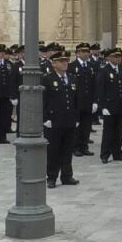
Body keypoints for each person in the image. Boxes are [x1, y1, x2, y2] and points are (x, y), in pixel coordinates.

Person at [41, 50, 79, 188]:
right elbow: (43, 101)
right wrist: (45, 118)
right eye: (61, 61)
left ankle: (67, 176)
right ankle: (51, 177)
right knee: (53, 151)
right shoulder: (47, 79)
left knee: (67, 150)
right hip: (54, 121)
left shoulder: (72, 78)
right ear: (54, 63)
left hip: (69, 120)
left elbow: (75, 100)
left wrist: (77, 117)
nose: (65, 63)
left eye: (66, 61)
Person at [96, 47, 122, 164]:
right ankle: (104, 154)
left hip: (120, 105)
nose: (118, 59)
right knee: (108, 131)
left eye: (119, 56)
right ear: (109, 58)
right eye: (115, 56)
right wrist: (103, 106)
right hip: (109, 106)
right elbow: (100, 90)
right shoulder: (104, 70)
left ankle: (117, 153)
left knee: (118, 131)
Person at [68, 43, 97, 157]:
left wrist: (95, 101)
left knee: (86, 125)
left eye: (87, 51)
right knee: (77, 125)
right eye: (83, 52)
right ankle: (75, 147)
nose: (86, 54)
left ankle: (84, 146)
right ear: (78, 53)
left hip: (88, 100)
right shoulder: (72, 66)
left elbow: (94, 85)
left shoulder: (91, 66)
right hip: (76, 101)